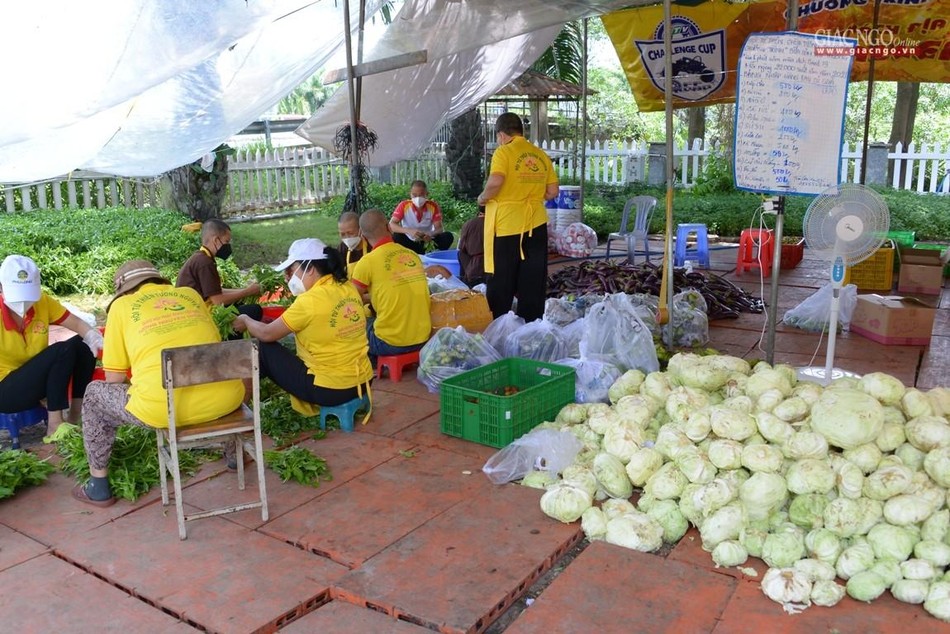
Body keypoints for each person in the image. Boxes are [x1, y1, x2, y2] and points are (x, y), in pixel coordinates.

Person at [73, 260, 245, 507]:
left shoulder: (121, 307)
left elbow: (114, 379)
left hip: (164, 409)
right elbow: (213, 347)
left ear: (124, 290)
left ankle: (98, 485)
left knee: (93, 395)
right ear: (159, 281)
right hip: (227, 400)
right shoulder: (190, 295)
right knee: (212, 379)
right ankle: (234, 456)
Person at [233, 238, 373, 416]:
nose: (288, 278)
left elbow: (267, 334)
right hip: (364, 381)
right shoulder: (347, 287)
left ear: (310, 269)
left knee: (260, 349)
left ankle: (238, 412)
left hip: (332, 389)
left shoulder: (310, 300)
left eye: (291, 271)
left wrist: (245, 319)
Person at [0, 255, 100, 437]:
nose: (24, 303)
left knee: (82, 344)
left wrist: (92, 335)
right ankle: (55, 424)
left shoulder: (42, 302)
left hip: (32, 377)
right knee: (61, 351)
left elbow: (77, 324)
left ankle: (75, 415)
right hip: (5, 391)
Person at [477, 113, 559, 322]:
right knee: (532, 278)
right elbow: (552, 191)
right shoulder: (539, 155)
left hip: (507, 225)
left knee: (501, 278)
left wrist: (483, 198)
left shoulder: (503, 152)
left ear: (502, 135)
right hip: (537, 224)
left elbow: (495, 181)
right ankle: (530, 327)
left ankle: (498, 324)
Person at [352, 209, 431, 365]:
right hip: (423, 338)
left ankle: (369, 361)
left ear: (362, 235)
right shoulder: (412, 255)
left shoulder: (367, 262)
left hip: (389, 343)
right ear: (388, 227)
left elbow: (351, 300)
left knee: (353, 324)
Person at [176, 218, 263, 321]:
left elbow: (215, 291)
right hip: (199, 316)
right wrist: (247, 292)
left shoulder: (202, 257)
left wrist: (245, 290)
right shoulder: (204, 262)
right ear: (216, 240)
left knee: (239, 302)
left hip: (198, 308)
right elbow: (217, 300)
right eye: (226, 241)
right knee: (255, 310)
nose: (228, 245)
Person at [389, 180, 454, 254]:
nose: (418, 198)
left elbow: (439, 228)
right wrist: (409, 231)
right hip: (409, 240)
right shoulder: (404, 205)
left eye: (421, 195)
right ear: (410, 194)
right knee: (396, 236)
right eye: (414, 195)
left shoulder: (433, 206)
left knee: (447, 236)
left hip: (427, 241)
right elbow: (392, 224)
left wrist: (430, 234)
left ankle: (431, 253)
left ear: (427, 194)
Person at [457, 206, 486, 287]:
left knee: (460, 253)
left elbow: (462, 248)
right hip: (486, 271)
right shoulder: (496, 224)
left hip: (473, 271)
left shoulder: (468, 224)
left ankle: (464, 282)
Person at [337, 211, 371, 277]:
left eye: (350, 233)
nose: (347, 237)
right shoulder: (342, 248)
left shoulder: (371, 245)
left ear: (360, 230)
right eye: (342, 234)